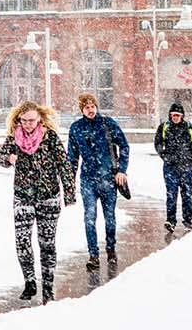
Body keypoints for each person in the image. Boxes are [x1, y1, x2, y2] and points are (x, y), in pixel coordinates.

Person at [0, 101, 75, 304]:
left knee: (46, 243)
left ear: (39, 118)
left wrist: (69, 192)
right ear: (19, 119)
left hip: (48, 196)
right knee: (22, 241)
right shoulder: (14, 137)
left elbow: (64, 165)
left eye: (31, 120)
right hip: (23, 195)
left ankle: (48, 288)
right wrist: (9, 158)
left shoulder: (49, 137)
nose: (28, 124)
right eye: (24, 120)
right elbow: (1, 158)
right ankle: (30, 280)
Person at [65, 92, 130, 272]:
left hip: (108, 178)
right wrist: (69, 178)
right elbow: (72, 157)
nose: (91, 110)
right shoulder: (76, 128)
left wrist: (122, 170)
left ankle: (111, 249)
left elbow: (124, 146)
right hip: (88, 180)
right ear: (82, 110)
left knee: (110, 217)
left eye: (93, 106)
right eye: (86, 107)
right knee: (89, 217)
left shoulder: (108, 124)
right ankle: (93, 255)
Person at [153, 102, 192, 232]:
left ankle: (187, 220)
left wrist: (190, 159)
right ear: (170, 115)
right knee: (171, 195)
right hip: (170, 168)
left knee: (186, 194)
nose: (175, 117)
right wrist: (165, 156)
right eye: (173, 115)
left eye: (178, 115)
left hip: (187, 168)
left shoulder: (190, 128)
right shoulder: (164, 127)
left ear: (182, 116)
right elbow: (158, 143)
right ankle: (170, 221)